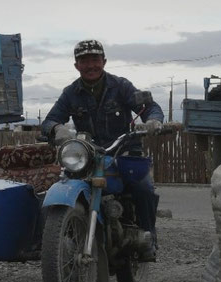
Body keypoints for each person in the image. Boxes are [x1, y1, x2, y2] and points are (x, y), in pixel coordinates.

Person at [41, 39, 164, 260]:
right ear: (76, 65)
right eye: (84, 60)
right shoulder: (71, 93)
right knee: (65, 183)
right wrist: (57, 129)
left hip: (124, 151)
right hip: (88, 156)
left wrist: (153, 121)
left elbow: (148, 107)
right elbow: (50, 120)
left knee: (143, 188)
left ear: (104, 61)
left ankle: (148, 237)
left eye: (95, 59)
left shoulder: (121, 86)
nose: (90, 65)